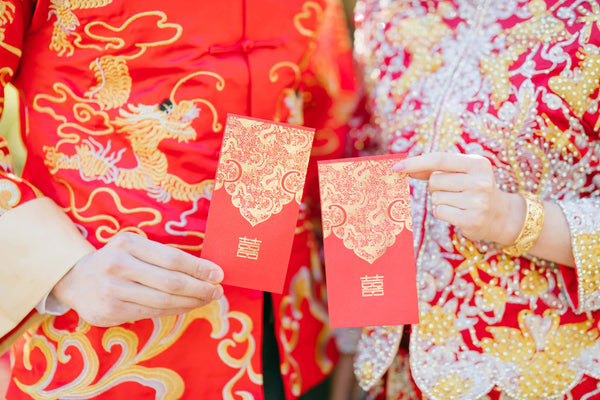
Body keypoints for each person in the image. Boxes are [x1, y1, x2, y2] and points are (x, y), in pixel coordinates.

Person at [0, 0, 358, 398]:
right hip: (105, 340)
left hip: (294, 335)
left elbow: (338, 113)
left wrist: (364, 314)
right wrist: (59, 267)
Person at [350, 0, 600, 399]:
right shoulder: (386, 8)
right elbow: (365, 150)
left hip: (541, 376)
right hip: (392, 374)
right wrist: (354, 342)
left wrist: (510, 217)